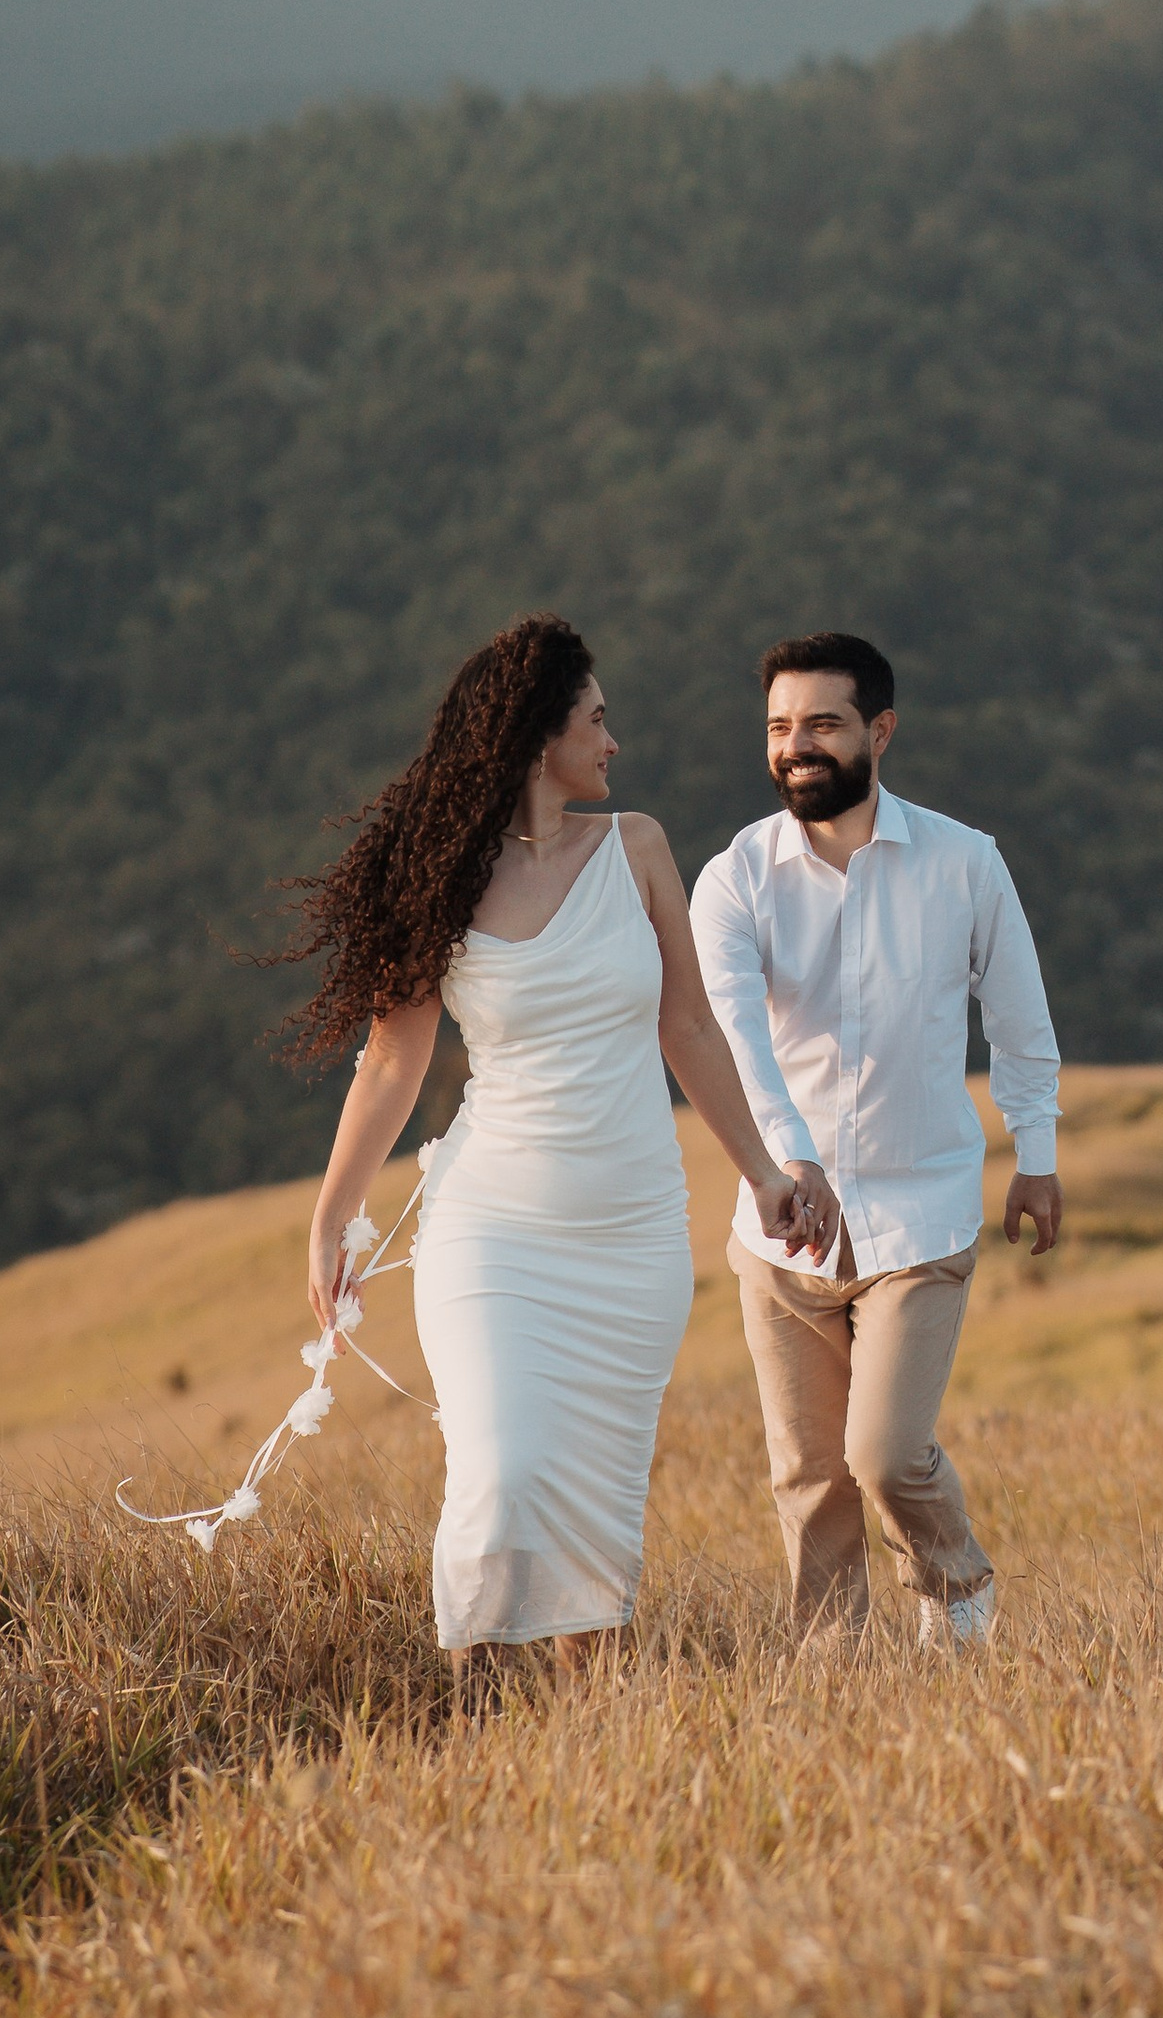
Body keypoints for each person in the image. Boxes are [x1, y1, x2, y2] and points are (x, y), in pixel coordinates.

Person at [277, 613, 834, 1680]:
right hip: (494, 1232)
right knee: (501, 1472)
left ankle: (588, 1732)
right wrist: (328, 1220)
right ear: (542, 736)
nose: (613, 742)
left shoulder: (637, 848)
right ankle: (474, 1705)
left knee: (594, 1504)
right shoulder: (443, 877)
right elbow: (392, 1062)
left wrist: (762, 1173)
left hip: (630, 1238)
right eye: (596, 720)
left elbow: (688, 1027)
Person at [690, 629, 1062, 1649]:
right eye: (777, 726)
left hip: (920, 1207)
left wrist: (1036, 1156)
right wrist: (785, 1162)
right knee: (807, 1477)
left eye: (821, 723)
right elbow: (733, 1036)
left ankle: (957, 1591)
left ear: (879, 731)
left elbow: (1020, 1023)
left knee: (885, 1453)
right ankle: (833, 1676)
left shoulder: (964, 862)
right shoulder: (733, 879)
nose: (795, 745)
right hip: (781, 1229)